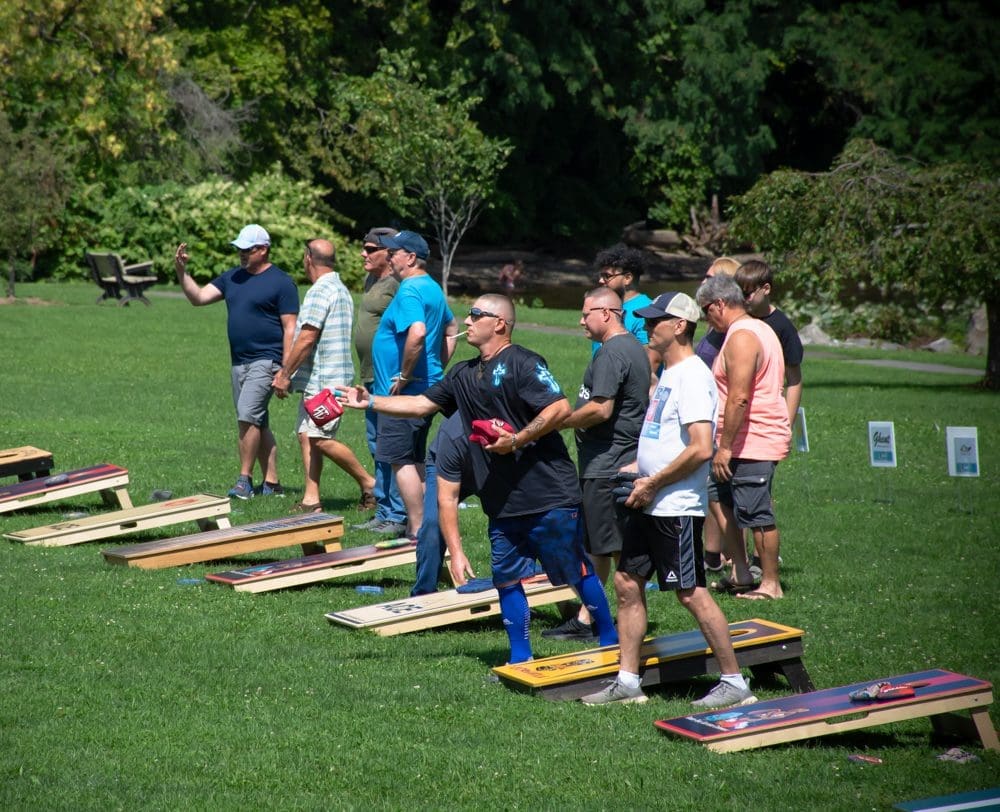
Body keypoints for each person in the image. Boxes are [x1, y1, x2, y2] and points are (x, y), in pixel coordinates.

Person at [338, 293, 618, 664]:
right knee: (506, 580)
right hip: (500, 499)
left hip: (548, 493)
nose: (466, 321)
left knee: (575, 571)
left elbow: (559, 407)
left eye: (475, 315)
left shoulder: (523, 362)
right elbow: (421, 404)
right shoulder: (463, 374)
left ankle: (611, 640)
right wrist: (370, 401)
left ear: (499, 323)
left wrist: (517, 439)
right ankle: (520, 660)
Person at [580, 292, 756, 709]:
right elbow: (663, 436)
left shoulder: (693, 376)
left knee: (690, 592)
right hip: (648, 497)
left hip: (673, 506)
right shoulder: (668, 373)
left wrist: (653, 481)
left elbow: (699, 448)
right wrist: (637, 470)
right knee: (626, 583)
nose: (648, 326)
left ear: (679, 326)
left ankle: (735, 683)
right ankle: (627, 681)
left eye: (657, 320)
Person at [544, 286, 649, 642]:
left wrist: (558, 421)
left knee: (613, 549)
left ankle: (610, 621)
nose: (580, 320)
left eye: (586, 313)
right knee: (599, 546)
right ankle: (589, 616)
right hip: (612, 462)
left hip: (607, 465)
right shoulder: (632, 348)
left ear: (606, 313)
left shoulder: (612, 353)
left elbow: (600, 409)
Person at [174, 224, 298, 499]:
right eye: (239, 249)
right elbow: (199, 298)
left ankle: (244, 481)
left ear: (263, 249)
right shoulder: (232, 278)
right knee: (257, 421)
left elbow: (291, 328)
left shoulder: (281, 282)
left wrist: (286, 371)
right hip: (238, 362)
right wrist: (182, 271)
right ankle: (273, 483)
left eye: (247, 249)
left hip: (267, 360)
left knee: (246, 416)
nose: (242, 254)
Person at [695, 274, 791, 601]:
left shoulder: (743, 336)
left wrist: (725, 448)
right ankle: (739, 572)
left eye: (706, 310)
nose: (706, 317)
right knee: (721, 499)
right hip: (734, 440)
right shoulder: (749, 330)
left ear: (720, 303)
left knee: (756, 512)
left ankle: (770, 584)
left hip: (752, 440)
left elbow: (739, 397)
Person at [271, 239, 376, 513]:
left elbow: (306, 337)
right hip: (327, 377)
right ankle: (311, 498)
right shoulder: (340, 288)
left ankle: (369, 483)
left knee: (319, 438)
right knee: (307, 434)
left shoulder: (319, 291)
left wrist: (284, 374)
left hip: (325, 381)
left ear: (308, 258)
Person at [370, 230, 458, 539]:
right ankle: (425, 527)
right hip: (426, 386)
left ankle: (418, 530)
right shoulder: (432, 288)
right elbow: (451, 329)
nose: (389, 257)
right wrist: (436, 368)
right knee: (414, 458)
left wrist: (405, 375)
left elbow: (418, 333)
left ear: (410, 258)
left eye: (394, 252)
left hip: (404, 393)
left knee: (399, 459)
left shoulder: (409, 291)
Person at [735, 259, 804, 580]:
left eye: (750, 293)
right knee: (737, 496)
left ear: (766, 289)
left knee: (757, 496)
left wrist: (786, 424)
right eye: (741, 292)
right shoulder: (741, 322)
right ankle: (742, 560)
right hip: (738, 424)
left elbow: (795, 379)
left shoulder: (782, 327)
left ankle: (765, 567)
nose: (745, 298)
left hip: (766, 424)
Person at [351, 227, 407, 535]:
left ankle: (398, 516)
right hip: (370, 376)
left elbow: (413, 330)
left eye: (370, 248)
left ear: (388, 253)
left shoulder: (398, 285)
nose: (363, 253)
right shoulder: (373, 280)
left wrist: (403, 373)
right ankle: (383, 509)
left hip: (390, 380)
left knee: (391, 446)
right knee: (376, 445)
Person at [693, 256, 742, 575]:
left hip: (725, 422)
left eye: (710, 278)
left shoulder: (735, 332)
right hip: (707, 416)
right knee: (712, 492)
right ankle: (714, 555)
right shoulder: (714, 329)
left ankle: (739, 560)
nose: (703, 282)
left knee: (726, 493)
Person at [410, 412, 478, 596]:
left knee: (512, 521)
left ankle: (516, 589)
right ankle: (423, 593)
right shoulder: (454, 434)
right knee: (433, 524)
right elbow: (446, 500)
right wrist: (456, 553)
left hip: (491, 463)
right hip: (446, 463)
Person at [593, 243, 659, 375]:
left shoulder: (646, 310)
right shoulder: (608, 306)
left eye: (607, 276)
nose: (601, 280)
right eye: (601, 275)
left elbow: (649, 362)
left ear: (627, 278)